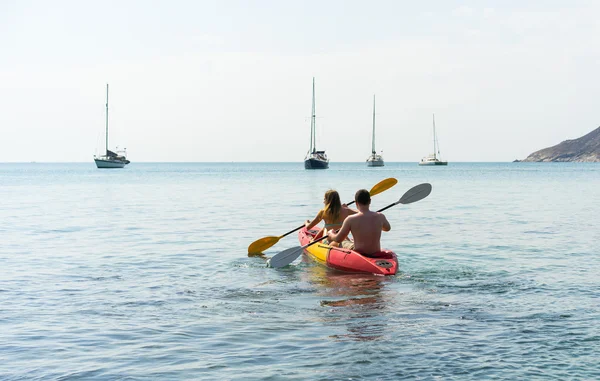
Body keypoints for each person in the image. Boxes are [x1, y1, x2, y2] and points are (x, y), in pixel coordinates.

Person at [327, 188, 391, 255]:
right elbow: (387, 228)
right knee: (351, 240)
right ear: (370, 201)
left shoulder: (350, 219)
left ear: (356, 202)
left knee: (335, 243)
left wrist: (331, 234)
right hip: (375, 252)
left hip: (358, 252)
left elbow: (338, 239)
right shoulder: (380, 216)